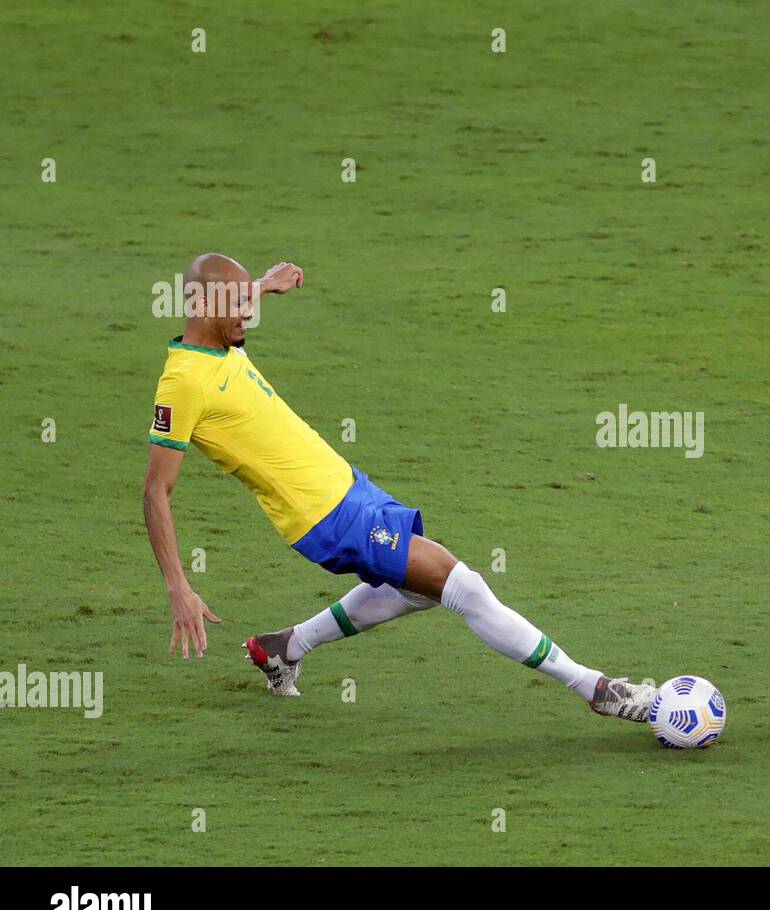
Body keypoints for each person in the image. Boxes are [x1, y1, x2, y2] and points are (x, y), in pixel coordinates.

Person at [143, 253, 657, 720]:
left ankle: (285, 647)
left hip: (348, 486)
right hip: (327, 518)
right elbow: (155, 493)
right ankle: (597, 689)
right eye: (237, 303)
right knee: (464, 587)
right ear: (201, 305)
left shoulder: (218, 336)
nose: (248, 312)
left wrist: (266, 283)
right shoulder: (184, 382)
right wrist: (179, 588)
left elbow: (231, 293)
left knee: (418, 592)